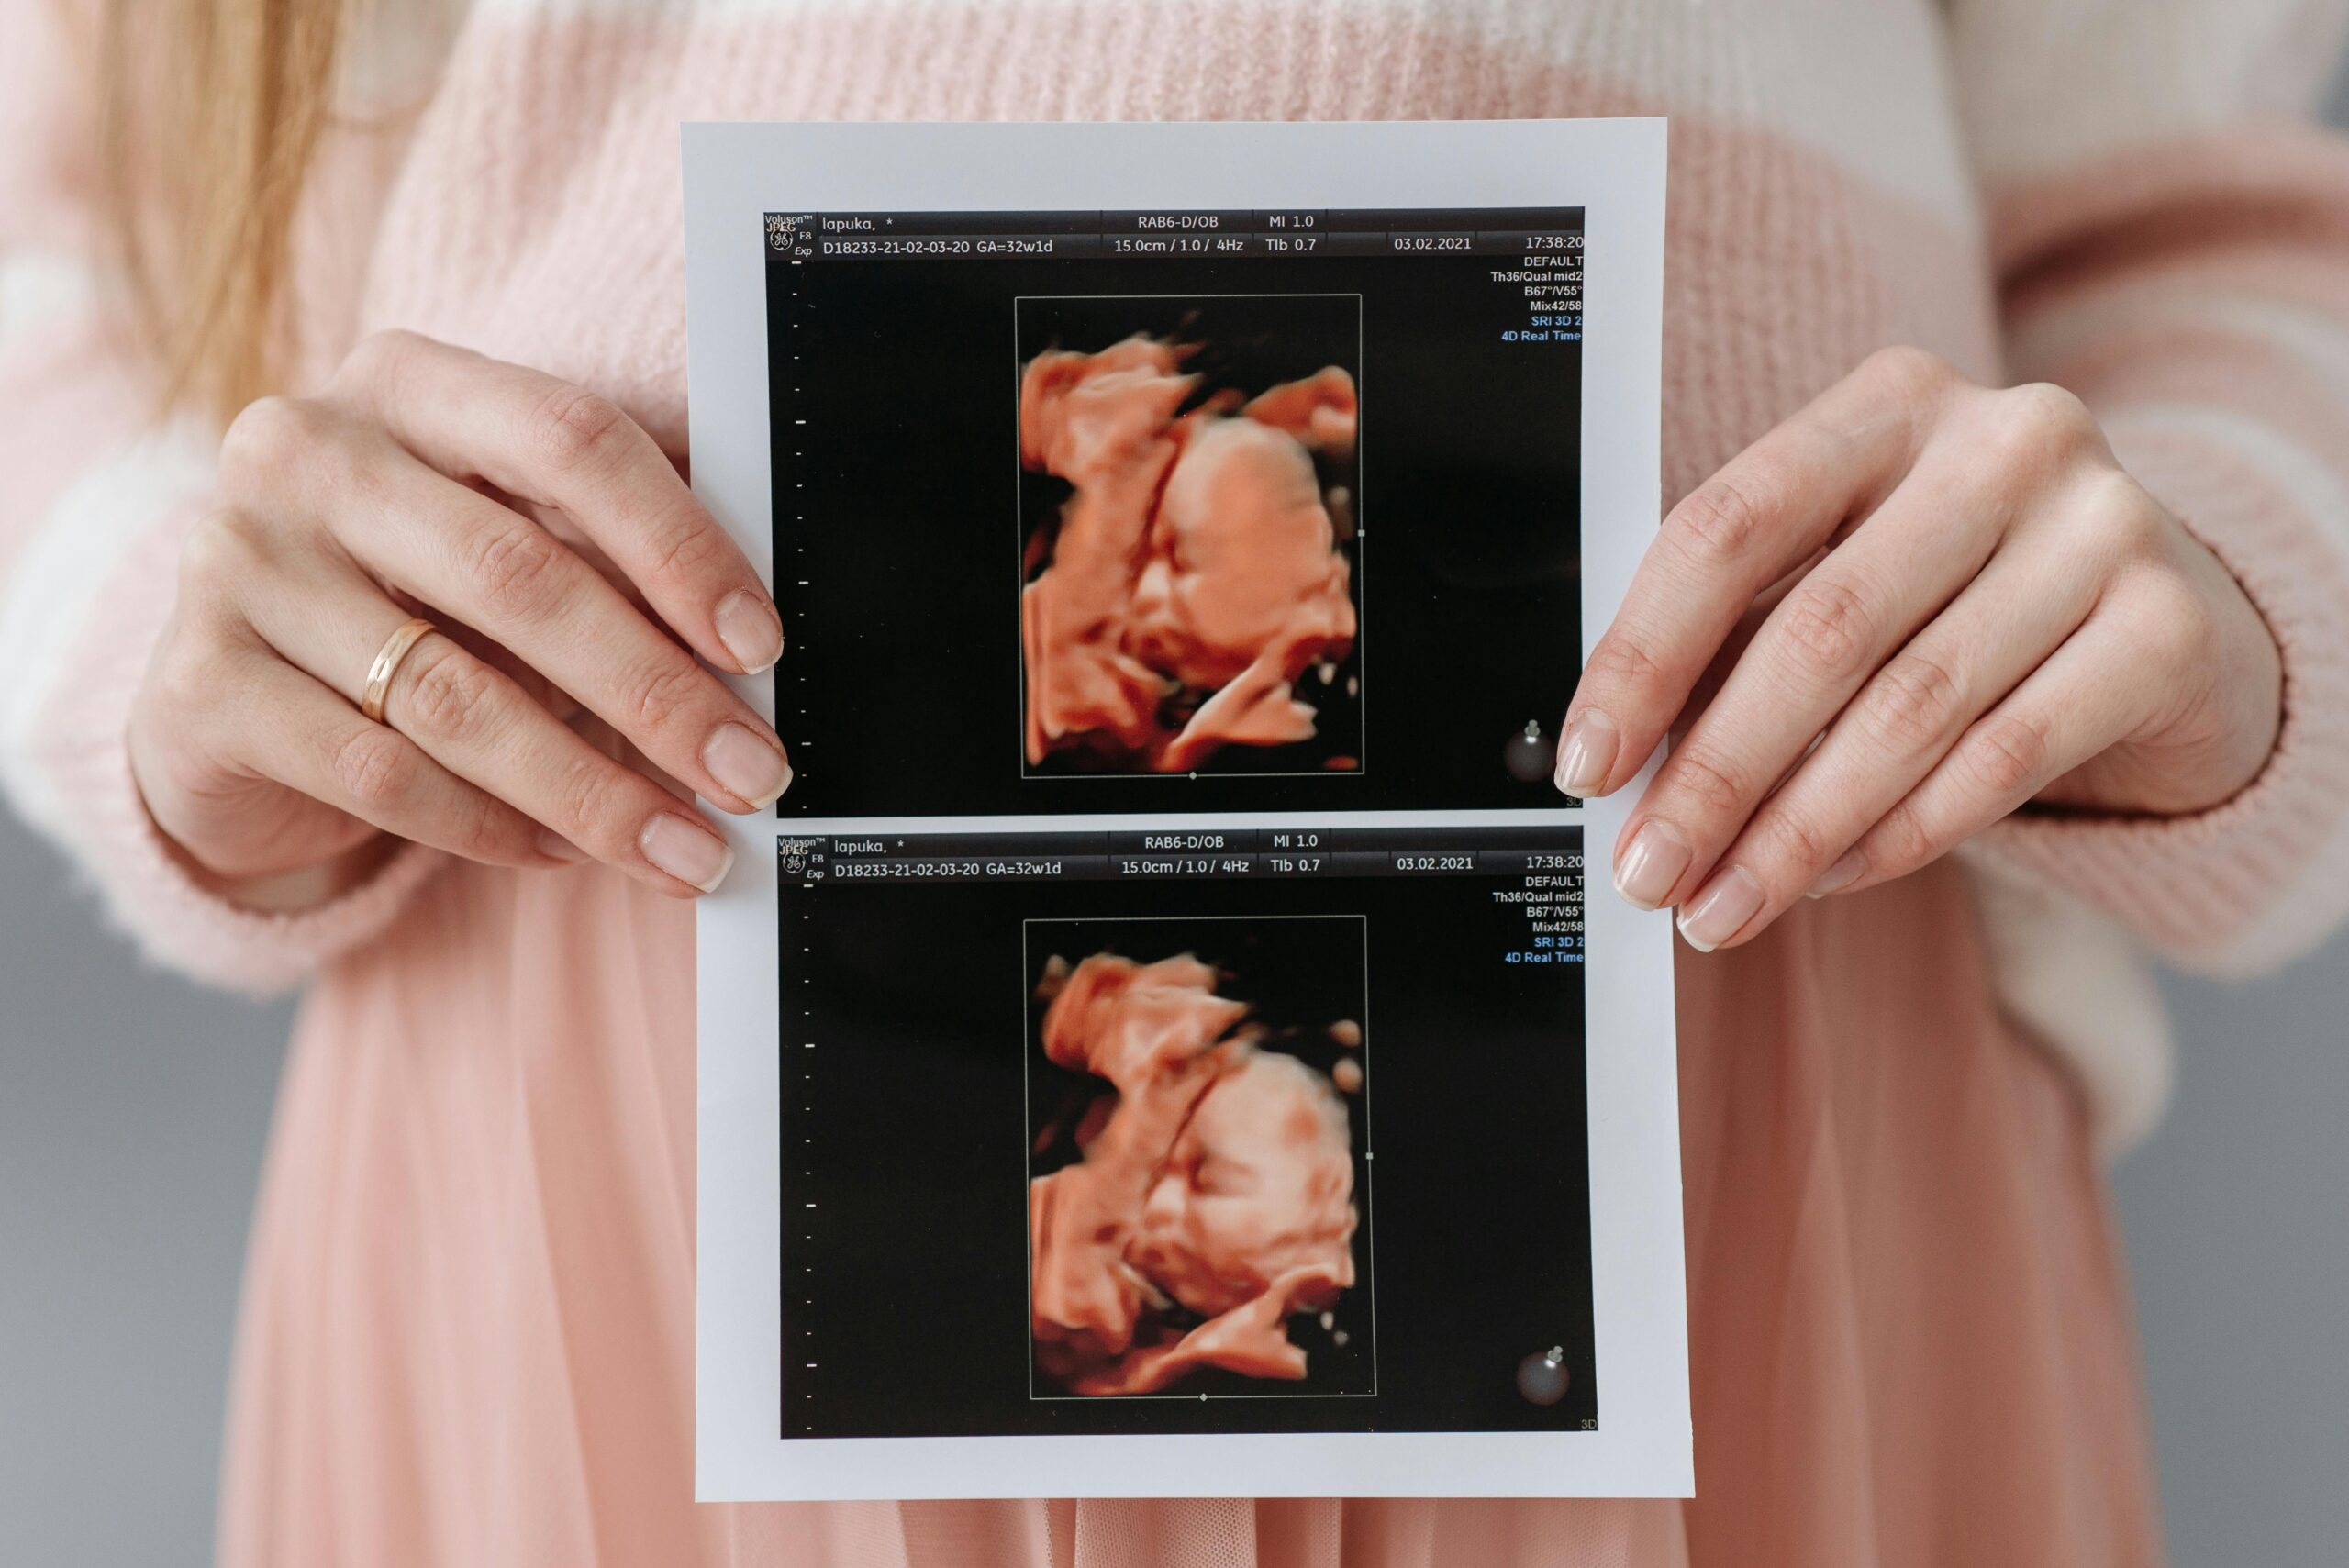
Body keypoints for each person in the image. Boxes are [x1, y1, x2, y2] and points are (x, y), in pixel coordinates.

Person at [4, 1, 2345, 1562]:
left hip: (1747, 988)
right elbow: (66, 230)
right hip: (621, 1034)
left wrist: (2201, 583)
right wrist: (171, 620)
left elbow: (2194, 210)